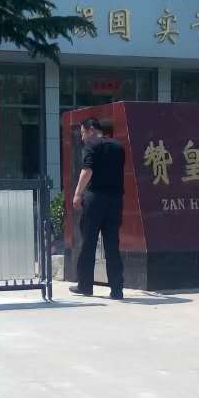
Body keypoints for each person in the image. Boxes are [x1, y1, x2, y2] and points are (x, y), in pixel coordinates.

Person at [70, 117, 125, 300]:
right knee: (112, 245)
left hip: (95, 199)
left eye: (83, 133)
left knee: (88, 243)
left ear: (91, 130)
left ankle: (85, 286)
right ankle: (117, 290)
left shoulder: (92, 145)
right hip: (115, 200)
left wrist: (77, 194)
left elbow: (87, 170)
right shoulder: (118, 147)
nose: (82, 137)